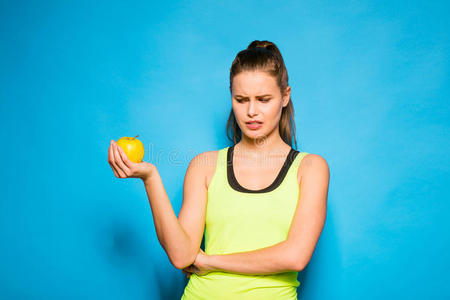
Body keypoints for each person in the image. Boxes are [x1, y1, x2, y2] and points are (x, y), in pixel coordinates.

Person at [107, 40, 330, 300]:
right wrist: (150, 178)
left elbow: (295, 256)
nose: (251, 111)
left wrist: (209, 261)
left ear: (285, 96)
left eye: (263, 99)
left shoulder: (311, 168)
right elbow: (181, 256)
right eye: (241, 99)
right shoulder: (205, 165)